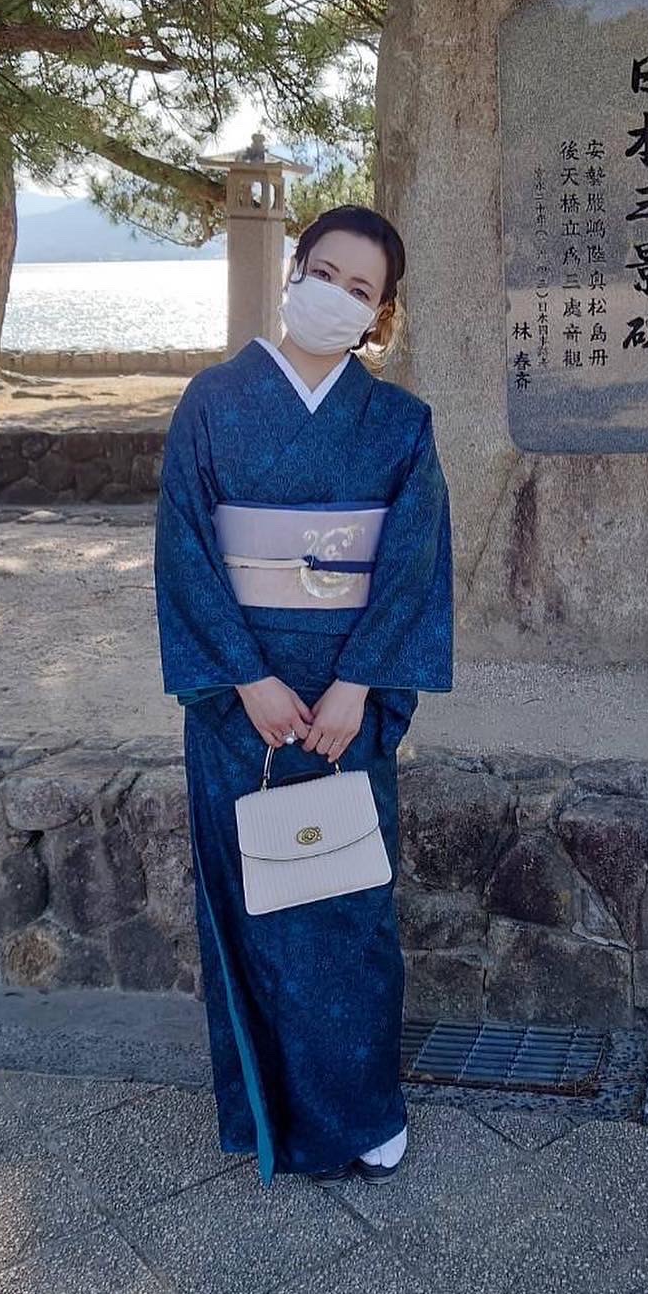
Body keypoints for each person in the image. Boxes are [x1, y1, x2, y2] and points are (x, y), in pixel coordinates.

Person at [153, 204, 454, 1186]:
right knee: (254, 907)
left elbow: (411, 566)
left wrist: (357, 688)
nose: (336, 296)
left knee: (347, 909)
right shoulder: (213, 403)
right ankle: (268, 1117)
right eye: (324, 273)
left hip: (343, 709)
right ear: (294, 273)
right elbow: (186, 550)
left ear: (380, 315)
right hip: (240, 708)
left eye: (360, 289)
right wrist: (247, 679)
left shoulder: (400, 426)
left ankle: (361, 1113)